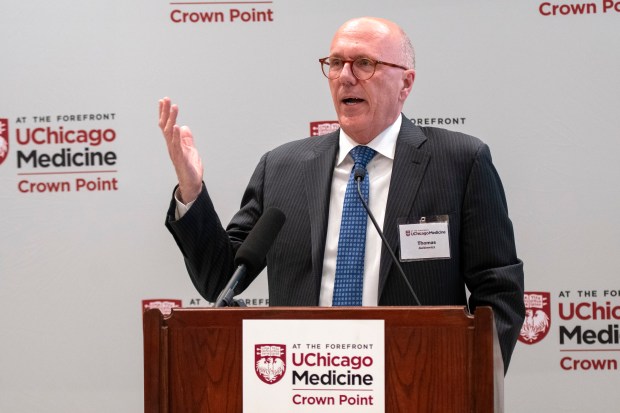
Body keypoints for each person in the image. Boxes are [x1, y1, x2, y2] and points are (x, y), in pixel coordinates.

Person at [159, 17, 524, 371]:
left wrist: (474, 379)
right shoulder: (281, 167)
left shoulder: (459, 162)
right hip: (302, 383)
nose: (346, 76)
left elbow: (498, 291)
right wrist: (191, 190)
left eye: (364, 63)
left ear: (406, 83)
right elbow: (220, 279)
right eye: (335, 63)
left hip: (415, 381)